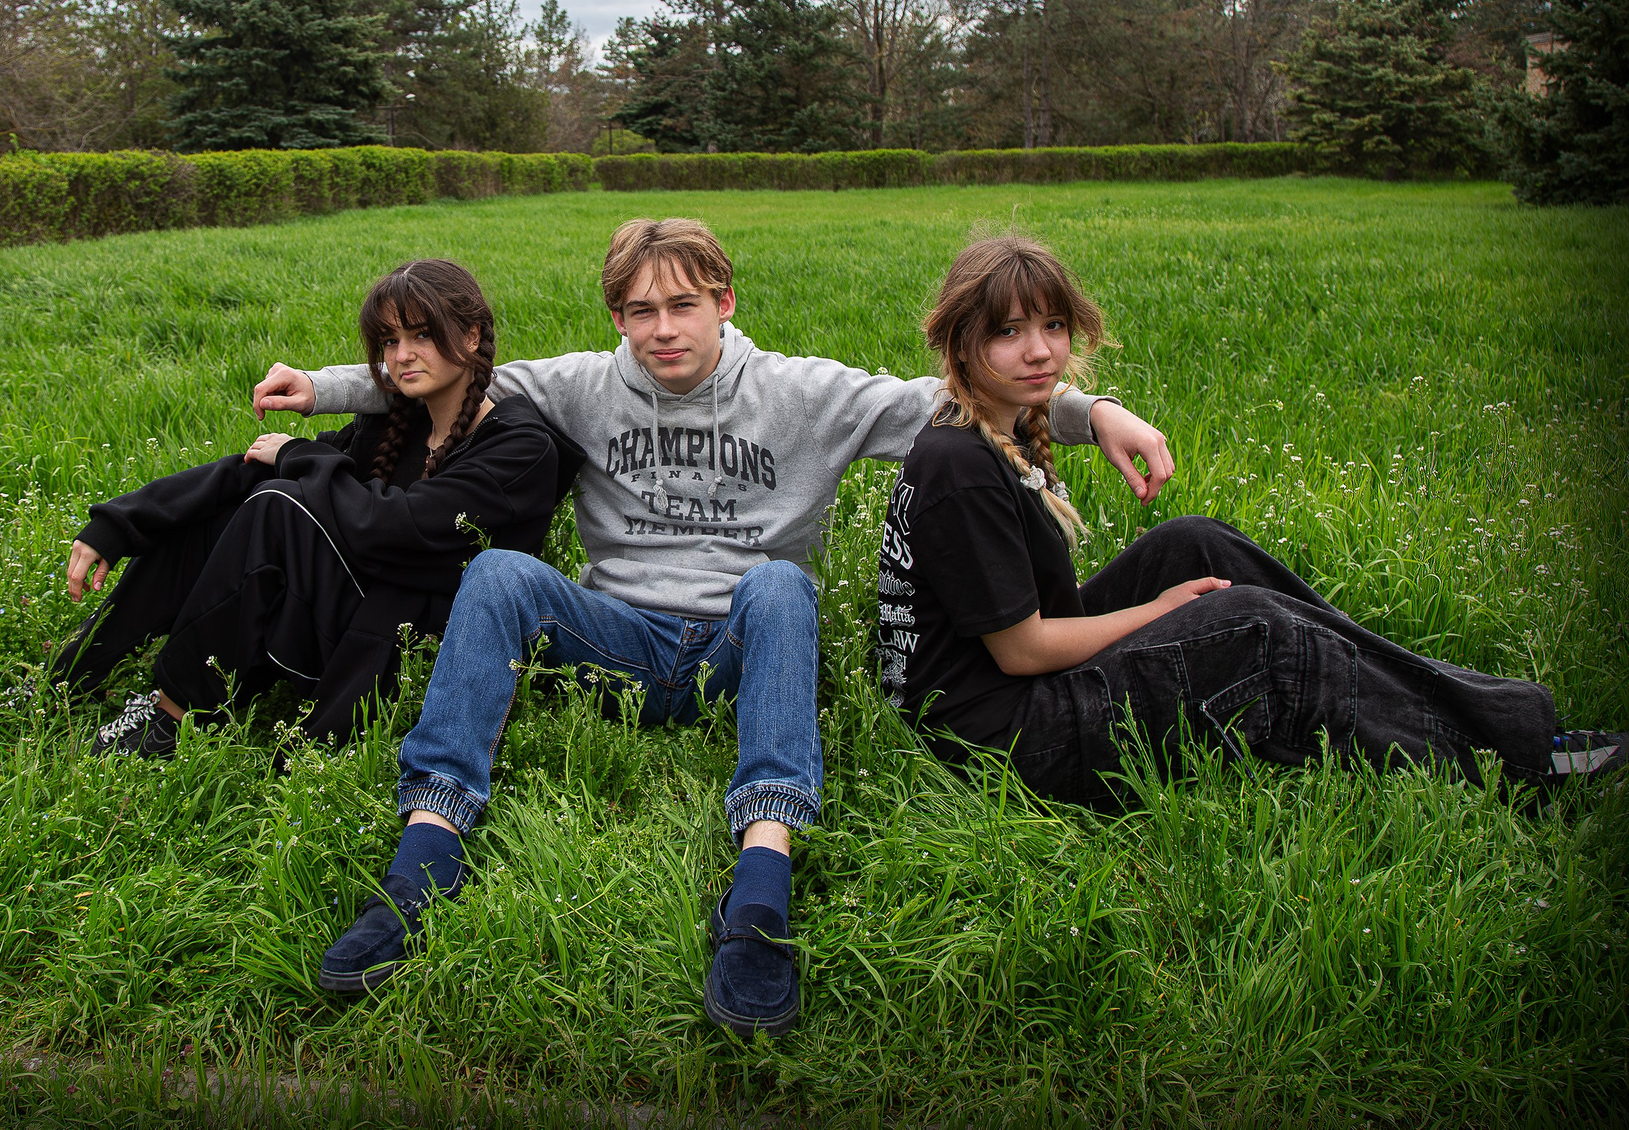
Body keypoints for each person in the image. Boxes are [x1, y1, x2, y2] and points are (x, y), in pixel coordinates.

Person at [250, 217, 1175, 1034]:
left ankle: (760, 895)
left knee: (781, 585)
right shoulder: (581, 386)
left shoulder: (801, 393)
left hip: (739, 641)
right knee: (497, 574)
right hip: (614, 639)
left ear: (724, 302)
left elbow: (948, 399)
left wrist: (1095, 411)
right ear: (617, 317)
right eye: (641, 311)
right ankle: (426, 854)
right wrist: (322, 388)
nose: (664, 329)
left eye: (684, 305)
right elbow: (453, 370)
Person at [876, 234, 1629, 809]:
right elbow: (1023, 651)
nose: (1040, 350)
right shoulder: (960, 464)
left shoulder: (995, 429)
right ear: (960, 342)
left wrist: (1166, 597)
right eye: (1008, 332)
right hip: (1002, 747)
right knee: (1248, 625)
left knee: (1196, 544)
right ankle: (1521, 765)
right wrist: (1161, 612)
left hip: (1010, 699)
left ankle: (1474, 710)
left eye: (1052, 324)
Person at [48, 258, 579, 759]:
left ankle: (173, 715)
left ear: (471, 336)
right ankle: (69, 676)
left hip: (406, 648)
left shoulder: (520, 448)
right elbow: (256, 468)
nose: (402, 355)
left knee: (278, 506)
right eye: (390, 340)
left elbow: (397, 525)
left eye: (422, 334)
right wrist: (120, 522)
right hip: (342, 609)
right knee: (236, 506)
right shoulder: (400, 419)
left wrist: (298, 454)